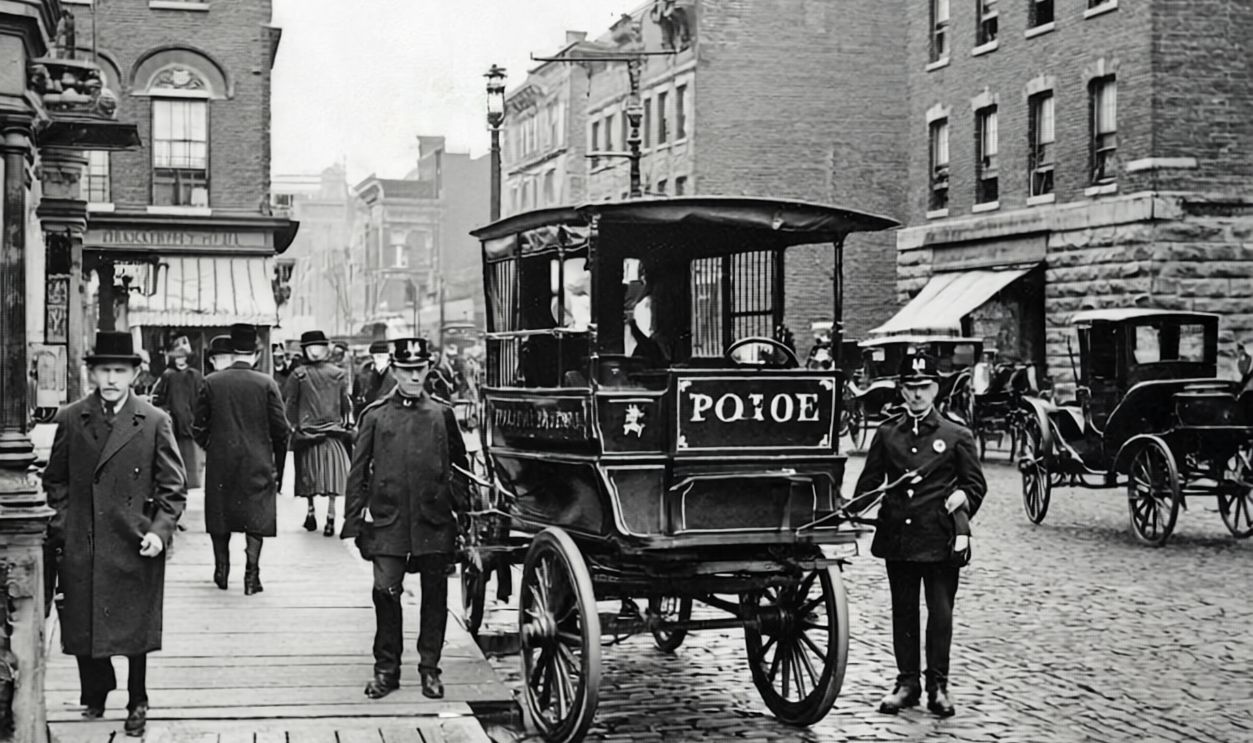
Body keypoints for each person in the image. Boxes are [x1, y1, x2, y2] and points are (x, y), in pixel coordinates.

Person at [43, 331, 187, 737]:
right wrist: (64, 524)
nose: (110, 379)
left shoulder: (154, 421)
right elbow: (56, 480)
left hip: (134, 541)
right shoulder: (73, 417)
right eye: (104, 370)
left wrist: (159, 532)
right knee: (83, 621)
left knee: (134, 630)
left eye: (119, 371)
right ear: (92, 373)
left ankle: (137, 699)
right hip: (83, 541)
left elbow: (172, 488)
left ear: (135, 375)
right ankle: (96, 689)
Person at [852, 351, 986, 718]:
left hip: (939, 539)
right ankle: (907, 684)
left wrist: (964, 497)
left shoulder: (956, 435)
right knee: (904, 611)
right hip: (899, 538)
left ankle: (938, 686)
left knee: (940, 612)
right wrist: (848, 511)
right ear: (900, 390)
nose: (917, 395)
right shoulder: (887, 434)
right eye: (910, 388)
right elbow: (869, 483)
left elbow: (976, 485)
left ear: (936, 389)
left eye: (924, 388)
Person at [342, 337, 470, 701]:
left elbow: (459, 468)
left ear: (428, 368)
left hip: (433, 521)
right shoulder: (376, 415)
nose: (414, 376)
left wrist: (462, 514)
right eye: (407, 370)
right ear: (395, 371)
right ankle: (387, 670)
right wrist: (353, 526)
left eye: (420, 369)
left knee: (435, 595)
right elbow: (357, 474)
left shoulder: (442, 414)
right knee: (385, 592)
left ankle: (430, 668)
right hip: (388, 521)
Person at [193, 324, 290, 595]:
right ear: (256, 355)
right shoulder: (267, 384)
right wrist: (277, 465)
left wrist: (212, 446)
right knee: (255, 516)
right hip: (257, 460)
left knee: (220, 515)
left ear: (233, 351)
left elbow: (198, 426)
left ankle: (221, 570)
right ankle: (251, 575)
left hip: (221, 461)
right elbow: (281, 430)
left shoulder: (212, 382)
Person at [285, 330, 353, 536]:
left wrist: (295, 426)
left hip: (308, 435)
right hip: (333, 433)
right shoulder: (338, 373)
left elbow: (291, 404)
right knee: (333, 478)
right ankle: (331, 517)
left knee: (308, 477)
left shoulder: (298, 374)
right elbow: (345, 405)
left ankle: (311, 512)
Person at [151, 337, 205, 489]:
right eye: (177, 357)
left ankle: (192, 480)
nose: (180, 360)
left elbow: (201, 398)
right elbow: (159, 397)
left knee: (192, 454)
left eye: (183, 357)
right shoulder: (168, 375)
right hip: (174, 420)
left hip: (191, 419)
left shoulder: (195, 375)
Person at [353, 340, 397, 416]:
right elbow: (356, 399)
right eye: (378, 356)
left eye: (382, 356)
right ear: (372, 357)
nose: (380, 359)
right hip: (369, 416)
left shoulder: (397, 374)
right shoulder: (362, 374)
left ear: (389, 357)